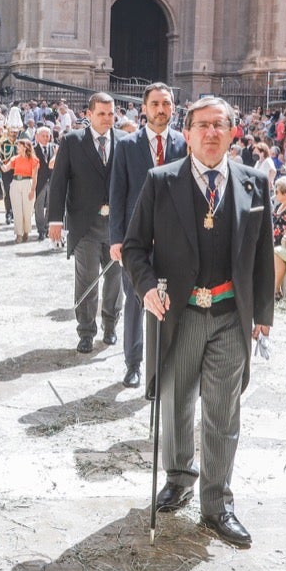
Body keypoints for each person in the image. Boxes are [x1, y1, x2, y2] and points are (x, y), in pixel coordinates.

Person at [122, 96, 274, 548]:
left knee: (223, 412)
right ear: (186, 134)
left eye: (220, 125)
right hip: (180, 314)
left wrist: (263, 314)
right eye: (202, 125)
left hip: (229, 315)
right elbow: (134, 248)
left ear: (233, 133)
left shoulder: (253, 184)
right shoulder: (160, 181)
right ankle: (179, 475)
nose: (211, 133)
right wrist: (146, 286)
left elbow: (262, 255)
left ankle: (216, 504)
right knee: (176, 403)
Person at [109, 83, 188, 387]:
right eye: (155, 104)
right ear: (144, 109)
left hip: (174, 242)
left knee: (171, 302)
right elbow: (117, 194)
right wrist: (117, 238)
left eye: (166, 104)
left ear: (173, 108)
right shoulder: (128, 146)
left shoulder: (183, 144)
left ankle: (165, 364)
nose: (161, 110)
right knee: (135, 300)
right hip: (135, 240)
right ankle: (133, 363)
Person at [49, 92, 122, 353]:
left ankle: (111, 326)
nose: (107, 118)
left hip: (117, 227)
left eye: (111, 113)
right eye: (101, 113)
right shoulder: (72, 142)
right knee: (87, 279)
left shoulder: (125, 141)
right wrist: (55, 220)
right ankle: (86, 331)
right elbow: (58, 183)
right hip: (85, 226)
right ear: (88, 115)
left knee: (115, 280)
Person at [4, 139, 41, 242]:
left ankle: (26, 231)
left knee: (27, 210)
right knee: (17, 210)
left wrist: (33, 190)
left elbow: (34, 177)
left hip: (27, 183)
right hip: (16, 183)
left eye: (19, 146)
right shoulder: (14, 159)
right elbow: (5, 169)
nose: (17, 148)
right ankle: (19, 234)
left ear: (25, 147)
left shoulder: (33, 160)